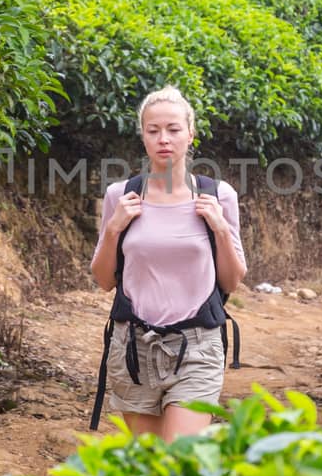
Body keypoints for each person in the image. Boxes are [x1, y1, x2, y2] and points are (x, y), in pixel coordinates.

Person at [89, 86, 246, 441]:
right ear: (142, 135)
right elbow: (103, 280)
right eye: (153, 130)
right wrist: (114, 228)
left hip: (198, 347)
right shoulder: (120, 195)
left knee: (179, 458)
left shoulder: (219, 196)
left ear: (191, 134)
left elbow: (232, 281)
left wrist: (220, 227)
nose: (164, 139)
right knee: (151, 465)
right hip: (133, 349)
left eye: (173, 129)